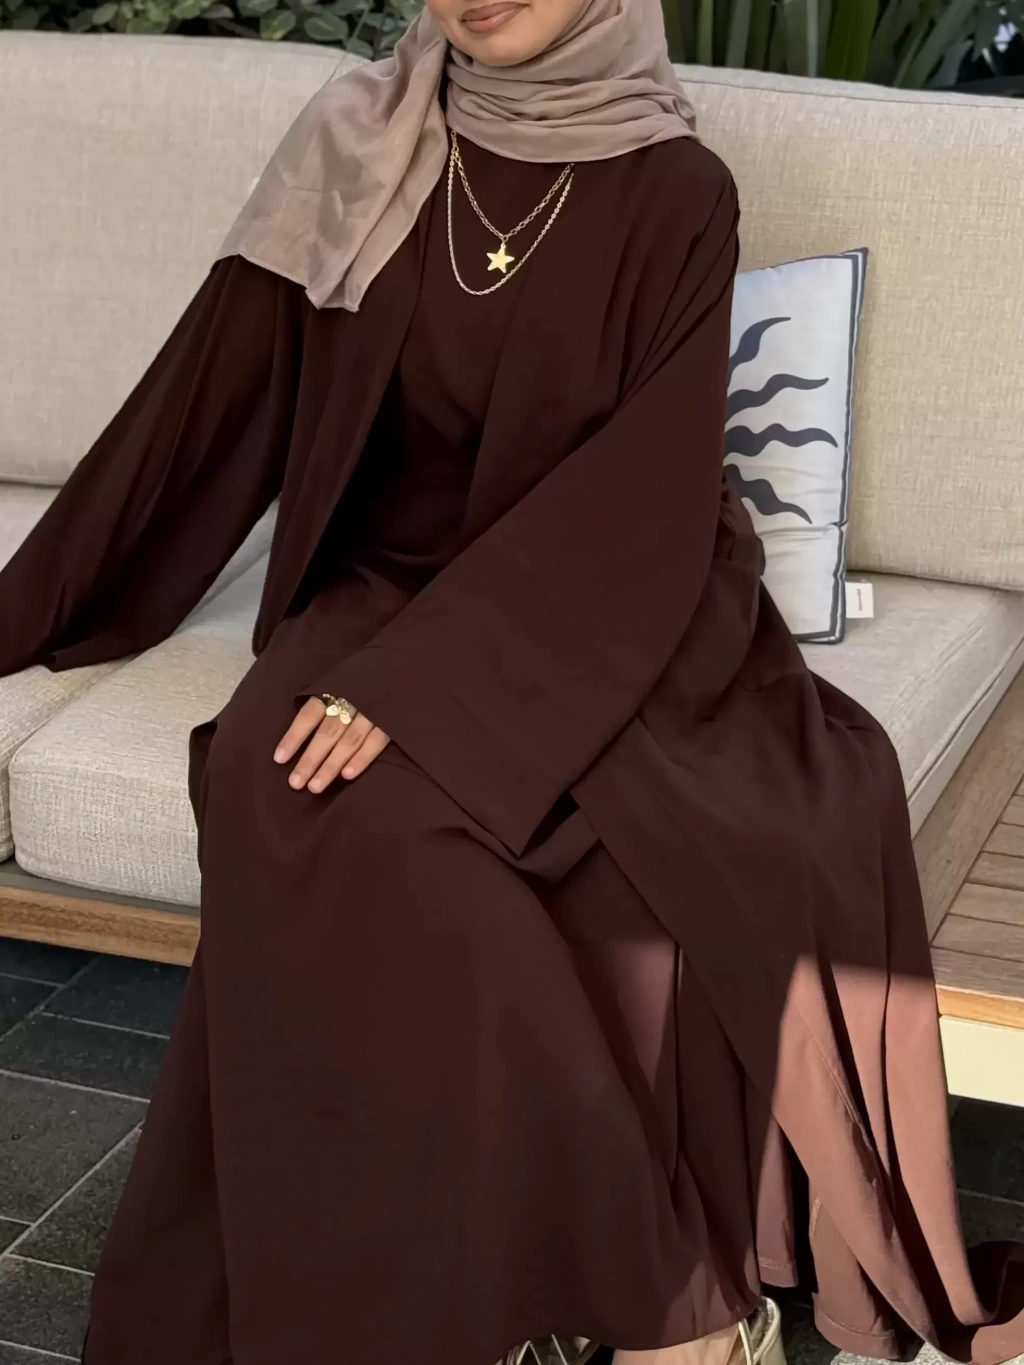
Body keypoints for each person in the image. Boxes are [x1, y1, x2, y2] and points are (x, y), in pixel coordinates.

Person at [1, 0, 1023, 1361]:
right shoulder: (362, 142)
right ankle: (655, 1303)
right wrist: (32, 603)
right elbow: (200, 403)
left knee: (500, 830)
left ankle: (661, 1323)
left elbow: (637, 494)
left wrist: (420, 692)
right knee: (269, 779)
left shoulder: (677, 191)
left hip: (611, 590)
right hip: (384, 578)